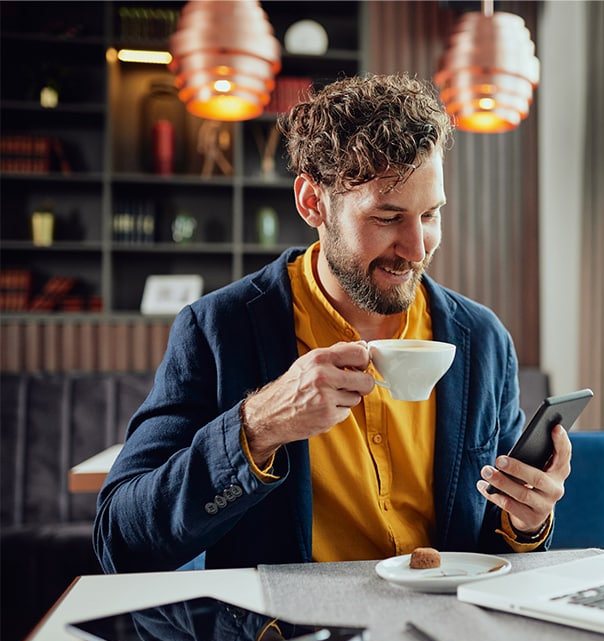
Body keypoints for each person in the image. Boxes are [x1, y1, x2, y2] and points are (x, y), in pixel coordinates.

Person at [93, 73, 571, 574]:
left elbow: (493, 542)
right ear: (312, 202)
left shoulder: (482, 339)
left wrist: (526, 522)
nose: (417, 249)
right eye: (387, 218)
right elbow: (120, 542)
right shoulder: (217, 330)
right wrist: (258, 426)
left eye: (430, 215)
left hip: (446, 630)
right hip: (295, 638)